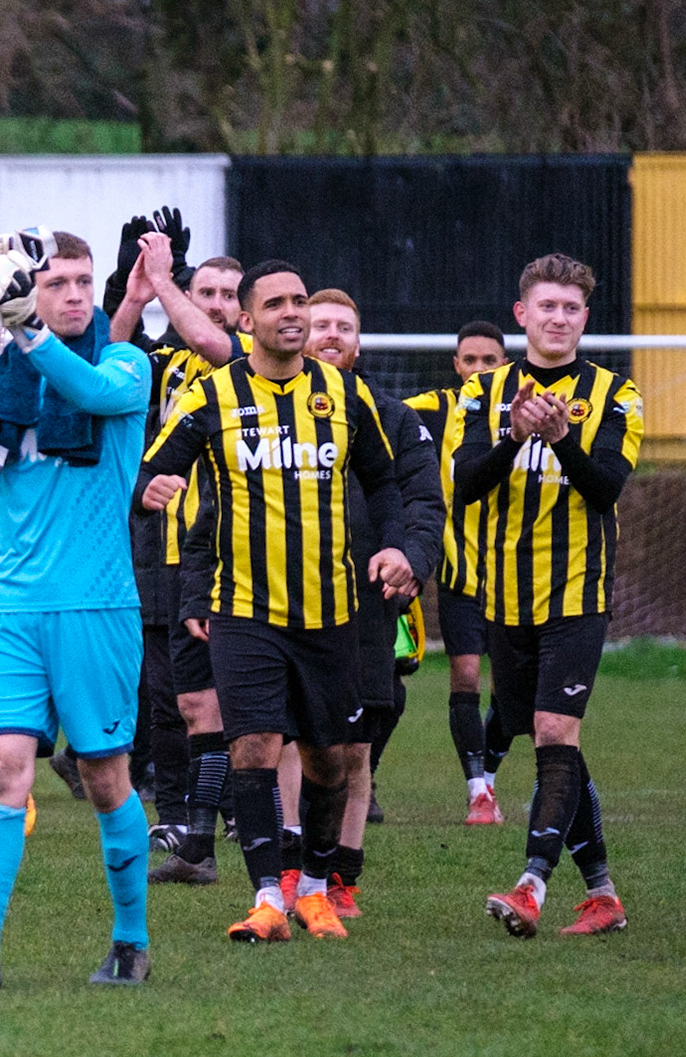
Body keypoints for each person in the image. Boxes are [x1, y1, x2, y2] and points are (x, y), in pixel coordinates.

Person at [0, 229, 157, 989]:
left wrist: (26, 330)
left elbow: (91, 394)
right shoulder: (14, 367)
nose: (76, 294)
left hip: (95, 607)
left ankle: (130, 937)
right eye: (58, 282)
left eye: (86, 282)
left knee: (107, 777)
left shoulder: (124, 363)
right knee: (1, 770)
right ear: (34, 287)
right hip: (10, 608)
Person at [138, 260, 411, 944]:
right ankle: (267, 896)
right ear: (246, 319)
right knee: (254, 745)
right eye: (278, 303)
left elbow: (383, 482)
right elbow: (152, 468)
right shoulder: (211, 397)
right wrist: (150, 489)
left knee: (330, 760)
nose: (294, 312)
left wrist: (399, 544)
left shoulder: (344, 395)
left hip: (332, 611)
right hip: (244, 609)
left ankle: (315, 889)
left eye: (300, 300)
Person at [454, 253, 643, 939]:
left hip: (577, 594)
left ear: (584, 318)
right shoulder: (481, 392)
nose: (558, 318)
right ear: (522, 314)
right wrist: (514, 433)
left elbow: (606, 488)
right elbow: (467, 482)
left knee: (557, 733)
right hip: (503, 598)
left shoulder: (617, 395)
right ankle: (602, 894)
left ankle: (531, 883)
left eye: (571, 308)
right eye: (547, 306)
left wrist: (561, 439)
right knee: (546, 738)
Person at [299, 288, 444, 915]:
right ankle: (287, 870)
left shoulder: (391, 415)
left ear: (358, 341)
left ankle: (341, 880)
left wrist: (412, 556)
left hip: (364, 605)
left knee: (354, 749)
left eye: (344, 326)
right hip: (285, 599)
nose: (331, 334)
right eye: (320, 323)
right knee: (288, 741)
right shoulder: (266, 407)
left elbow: (424, 499)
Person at [112, 228, 250, 886]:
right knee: (173, 699)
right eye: (208, 291)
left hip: (237, 555)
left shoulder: (244, 359)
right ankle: (182, 818)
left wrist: (166, 282)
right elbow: (109, 360)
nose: (219, 303)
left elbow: (210, 342)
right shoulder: (162, 364)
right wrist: (137, 295)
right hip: (162, 552)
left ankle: (231, 812)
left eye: (229, 293)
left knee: (239, 697)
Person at [407, 321, 514, 824]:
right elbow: (383, 418)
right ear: (455, 365)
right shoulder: (434, 407)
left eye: (488, 361)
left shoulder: (521, 408)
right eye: (468, 360)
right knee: (466, 674)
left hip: (517, 571)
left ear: (503, 364)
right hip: (458, 571)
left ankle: (489, 774)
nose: (477, 369)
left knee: (513, 690)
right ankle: (477, 789)